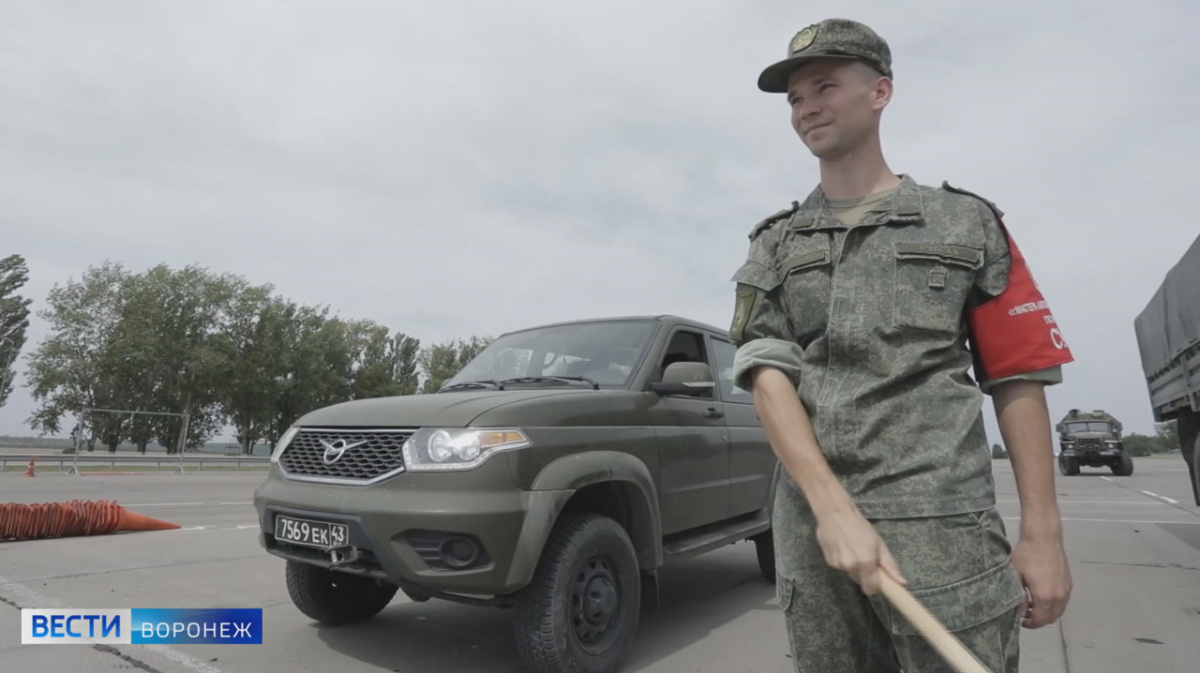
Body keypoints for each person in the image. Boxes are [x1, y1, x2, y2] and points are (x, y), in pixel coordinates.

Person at [728, 18, 1075, 673]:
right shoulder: (775, 243)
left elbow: (1019, 374)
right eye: (795, 99)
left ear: (880, 91)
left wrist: (1042, 531)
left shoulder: (966, 221)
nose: (807, 109)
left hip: (943, 523)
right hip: (816, 534)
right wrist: (832, 511)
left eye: (825, 87)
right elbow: (766, 375)